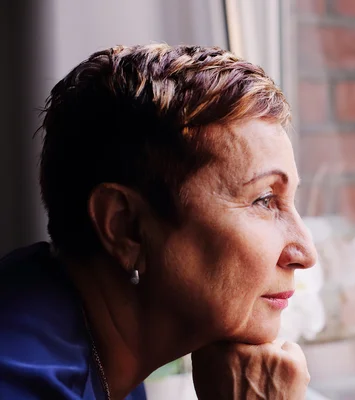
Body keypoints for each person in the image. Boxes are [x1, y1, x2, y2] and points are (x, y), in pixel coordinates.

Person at [0, 44, 317, 399]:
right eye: (263, 199)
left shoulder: (98, 346)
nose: (305, 252)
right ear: (127, 227)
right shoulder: (20, 381)